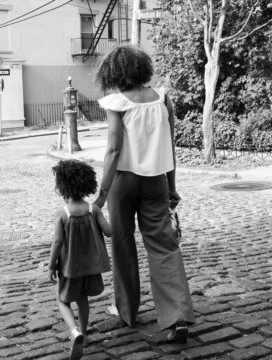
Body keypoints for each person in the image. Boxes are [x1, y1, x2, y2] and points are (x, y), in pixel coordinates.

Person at [93, 44, 195, 343]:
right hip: (156, 182)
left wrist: (101, 195)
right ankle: (177, 317)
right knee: (164, 247)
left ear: (113, 72)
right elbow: (170, 145)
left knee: (123, 245)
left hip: (124, 182)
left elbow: (113, 150)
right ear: (142, 69)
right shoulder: (162, 98)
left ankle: (127, 311)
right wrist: (172, 186)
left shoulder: (117, 102)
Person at [48, 159, 112, 359]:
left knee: (62, 300)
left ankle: (74, 331)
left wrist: (51, 266)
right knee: (83, 299)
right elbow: (109, 232)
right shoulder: (94, 210)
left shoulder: (63, 214)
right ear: (87, 185)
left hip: (69, 268)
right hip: (90, 267)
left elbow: (58, 242)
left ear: (62, 188)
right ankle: (84, 332)